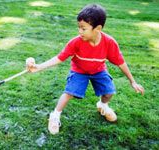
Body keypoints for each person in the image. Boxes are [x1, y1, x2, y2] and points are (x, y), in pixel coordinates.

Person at [26, 4, 144, 135]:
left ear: (98, 28)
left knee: (109, 92)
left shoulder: (109, 43)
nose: (79, 32)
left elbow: (121, 63)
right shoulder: (75, 42)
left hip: (99, 70)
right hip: (79, 70)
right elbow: (60, 58)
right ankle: (55, 115)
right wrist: (39, 67)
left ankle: (102, 105)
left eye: (83, 28)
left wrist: (132, 81)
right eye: (79, 27)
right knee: (69, 92)